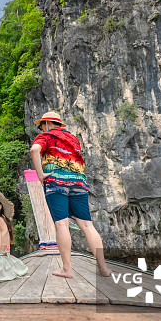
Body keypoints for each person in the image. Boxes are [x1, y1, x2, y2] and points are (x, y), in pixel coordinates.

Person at [30, 111, 112, 278]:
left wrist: (40, 174)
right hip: (78, 182)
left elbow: (34, 150)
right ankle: (103, 268)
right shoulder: (73, 138)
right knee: (88, 225)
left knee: (61, 224)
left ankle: (67, 269)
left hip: (56, 181)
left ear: (47, 123)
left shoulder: (47, 136)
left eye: (41, 126)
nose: (40, 129)